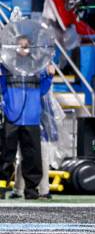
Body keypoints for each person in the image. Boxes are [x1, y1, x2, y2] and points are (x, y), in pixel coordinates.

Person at [0, 55, 54, 200]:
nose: (23, 48)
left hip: (31, 119)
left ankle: (31, 190)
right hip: (12, 118)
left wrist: (49, 76)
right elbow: (2, 87)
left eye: (26, 45)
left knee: (32, 157)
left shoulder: (37, 67)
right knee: (6, 155)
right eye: (20, 45)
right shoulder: (6, 66)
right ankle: (1, 187)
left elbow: (42, 90)